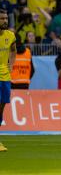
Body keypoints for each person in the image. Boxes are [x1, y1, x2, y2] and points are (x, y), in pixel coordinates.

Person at [0, 9, 17, 152]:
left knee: (2, 107)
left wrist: (10, 65)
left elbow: (13, 50)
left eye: (6, 18)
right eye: (2, 18)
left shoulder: (10, 35)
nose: (5, 21)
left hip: (5, 75)